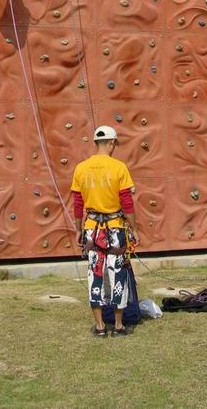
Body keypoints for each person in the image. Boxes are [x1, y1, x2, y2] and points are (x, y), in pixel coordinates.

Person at [71, 125, 139, 337]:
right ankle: (118, 325)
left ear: (95, 143)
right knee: (118, 272)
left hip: (92, 229)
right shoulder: (119, 167)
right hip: (115, 227)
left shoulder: (81, 168)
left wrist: (78, 229)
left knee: (95, 273)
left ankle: (100, 326)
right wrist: (134, 229)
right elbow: (127, 202)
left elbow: (78, 203)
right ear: (111, 143)